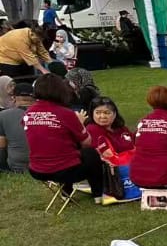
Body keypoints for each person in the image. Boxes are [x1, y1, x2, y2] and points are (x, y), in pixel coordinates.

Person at [23, 73, 104, 201]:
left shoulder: (28, 113)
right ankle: (98, 194)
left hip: (36, 170)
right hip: (64, 170)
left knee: (63, 152)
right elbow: (87, 142)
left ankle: (66, 193)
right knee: (90, 154)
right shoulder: (65, 113)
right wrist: (80, 123)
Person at [85, 96, 135, 167]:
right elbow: (108, 156)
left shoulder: (122, 128)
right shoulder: (92, 129)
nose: (102, 116)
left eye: (107, 113)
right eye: (98, 113)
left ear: (114, 114)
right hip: (117, 168)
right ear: (92, 114)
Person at [0, 79, 34, 174]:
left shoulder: (3, 115)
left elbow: (1, 147)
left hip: (16, 167)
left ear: (14, 98)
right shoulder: (47, 114)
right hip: (44, 166)